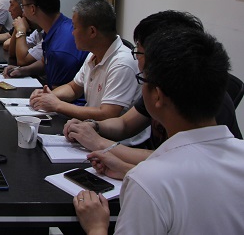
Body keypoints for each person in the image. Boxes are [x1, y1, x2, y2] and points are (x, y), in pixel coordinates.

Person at [74, 28, 244, 235]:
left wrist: (97, 227)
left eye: (142, 79)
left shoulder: (148, 182)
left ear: (157, 95)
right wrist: (126, 169)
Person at [63, 10, 241, 173]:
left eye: (139, 52)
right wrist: (94, 126)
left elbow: (181, 159)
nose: (136, 60)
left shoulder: (206, 101)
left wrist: (100, 143)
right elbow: (125, 124)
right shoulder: (157, 86)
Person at [28, 0, 141, 121]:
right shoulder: (93, 55)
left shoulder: (122, 63)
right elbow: (73, 88)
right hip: (90, 126)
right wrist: (48, 96)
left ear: (92, 31)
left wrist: (57, 105)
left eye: (75, 28)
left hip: (107, 131)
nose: (72, 33)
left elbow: (107, 114)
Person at [14, 0, 87, 88]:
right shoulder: (59, 26)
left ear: (32, 9)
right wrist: (23, 70)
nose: (22, 11)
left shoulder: (60, 49)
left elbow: (59, 93)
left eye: (23, 6)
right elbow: (45, 62)